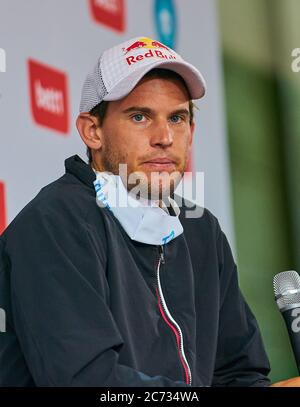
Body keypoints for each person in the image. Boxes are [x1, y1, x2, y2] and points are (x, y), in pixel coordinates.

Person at [0, 36, 297, 387]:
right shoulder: (55, 222)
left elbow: (239, 373)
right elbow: (88, 381)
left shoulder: (201, 231)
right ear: (92, 131)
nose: (164, 137)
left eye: (177, 118)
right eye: (140, 116)